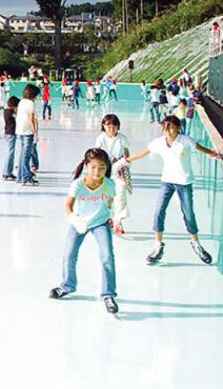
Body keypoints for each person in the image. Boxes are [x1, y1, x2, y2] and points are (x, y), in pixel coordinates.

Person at [125, 116, 221, 265]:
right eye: (164, 127)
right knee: (159, 212)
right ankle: (158, 247)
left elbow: (202, 149)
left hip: (184, 183)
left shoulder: (185, 140)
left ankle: (196, 244)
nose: (167, 130)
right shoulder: (159, 143)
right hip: (167, 182)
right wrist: (125, 161)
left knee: (189, 214)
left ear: (178, 127)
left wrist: (216, 155)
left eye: (170, 127)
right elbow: (143, 153)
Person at [49, 148, 119, 314]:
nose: (97, 172)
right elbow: (68, 206)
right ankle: (67, 286)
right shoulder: (79, 185)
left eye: (102, 168)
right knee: (69, 255)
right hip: (79, 222)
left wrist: (111, 215)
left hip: (100, 222)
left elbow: (110, 201)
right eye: (93, 167)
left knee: (107, 256)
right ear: (87, 166)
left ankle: (108, 294)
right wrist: (75, 219)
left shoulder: (109, 184)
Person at [95, 114, 131, 235]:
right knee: (107, 195)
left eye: (114, 126)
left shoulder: (122, 138)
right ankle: (108, 219)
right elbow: (96, 153)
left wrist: (125, 164)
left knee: (121, 194)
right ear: (103, 126)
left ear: (117, 126)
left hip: (119, 169)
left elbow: (126, 154)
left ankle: (119, 221)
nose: (111, 128)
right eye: (108, 126)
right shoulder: (101, 138)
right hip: (105, 170)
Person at [16, 84, 39, 186]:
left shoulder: (21, 102)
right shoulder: (30, 103)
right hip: (27, 131)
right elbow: (32, 120)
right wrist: (35, 132)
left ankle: (20, 176)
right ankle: (26, 177)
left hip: (19, 130)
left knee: (22, 154)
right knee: (26, 155)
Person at [1, 96, 20, 181]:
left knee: (10, 154)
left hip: (9, 133)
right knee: (10, 154)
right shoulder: (9, 112)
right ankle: (6, 172)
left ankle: (8, 172)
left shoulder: (6, 111)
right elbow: (17, 117)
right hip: (10, 134)